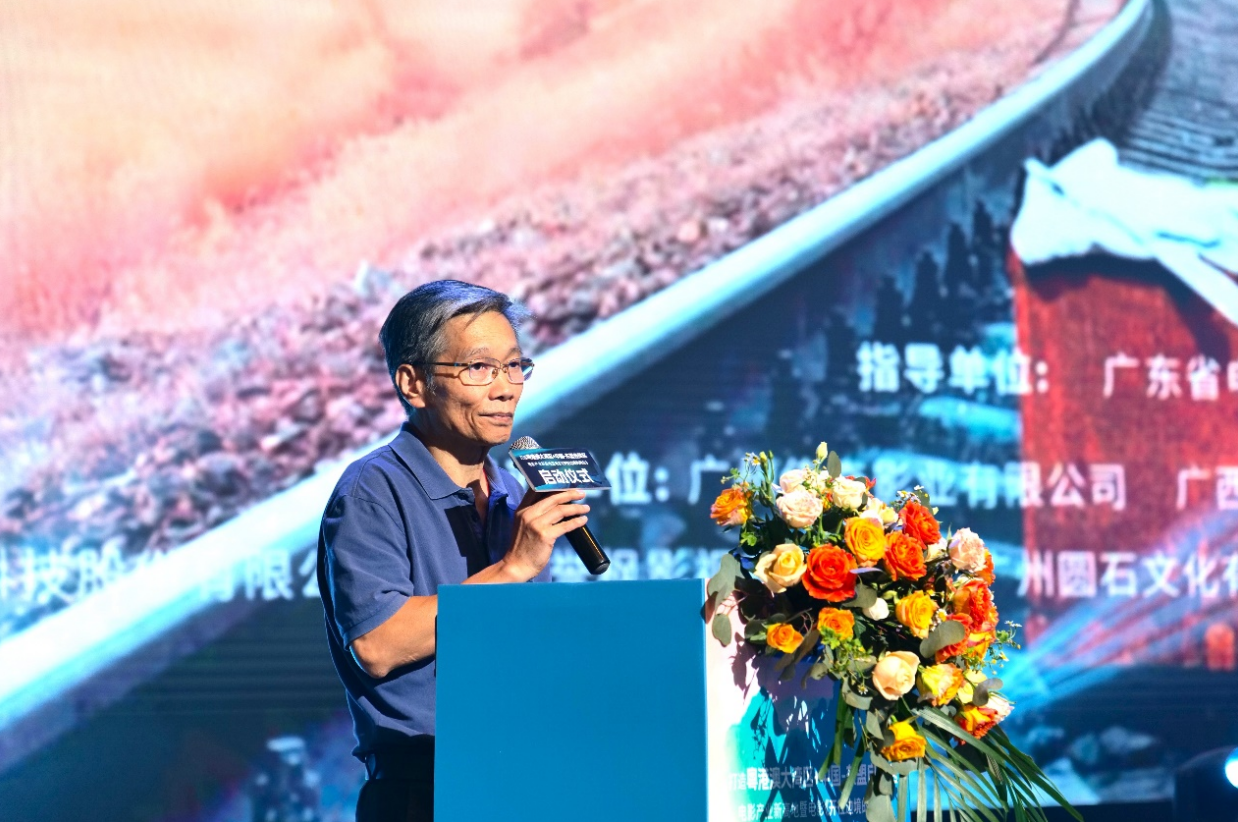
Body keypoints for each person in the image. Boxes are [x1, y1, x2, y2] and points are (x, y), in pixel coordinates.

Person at [316, 280, 589, 822]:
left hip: (521, 777)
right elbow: (377, 643)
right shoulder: (372, 490)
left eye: (515, 366)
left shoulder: (511, 492)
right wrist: (511, 568)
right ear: (413, 383)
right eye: (480, 368)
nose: (506, 388)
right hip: (425, 788)